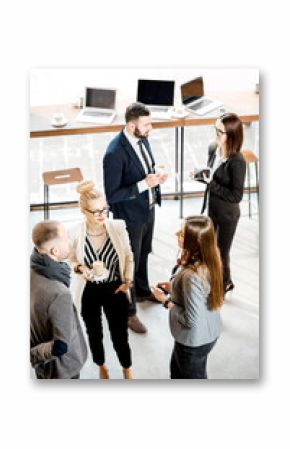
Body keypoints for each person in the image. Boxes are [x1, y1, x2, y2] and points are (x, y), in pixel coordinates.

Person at [103, 102, 168, 334]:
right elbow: (112, 195)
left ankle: (141, 291)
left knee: (143, 253)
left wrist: (156, 174)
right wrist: (144, 184)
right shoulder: (113, 153)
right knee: (127, 265)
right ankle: (128, 312)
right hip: (129, 217)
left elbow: (144, 168)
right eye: (146, 124)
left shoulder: (142, 137)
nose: (150, 128)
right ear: (131, 126)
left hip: (147, 209)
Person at [69, 181, 134, 379]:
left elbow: (129, 256)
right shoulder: (75, 233)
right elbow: (71, 260)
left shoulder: (117, 226)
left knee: (120, 334)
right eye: (95, 211)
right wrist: (81, 268)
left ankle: (127, 367)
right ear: (83, 210)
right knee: (94, 333)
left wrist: (128, 281)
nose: (101, 215)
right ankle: (102, 364)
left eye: (104, 209)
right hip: (89, 289)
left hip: (115, 287)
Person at [151, 216, 223, 379]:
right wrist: (172, 287)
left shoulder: (191, 277)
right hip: (209, 330)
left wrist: (165, 300)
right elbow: (201, 292)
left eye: (182, 234)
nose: (176, 234)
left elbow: (191, 319)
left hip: (194, 341)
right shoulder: (211, 258)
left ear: (194, 242)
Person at [190, 112, 246, 294]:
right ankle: (224, 280)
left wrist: (211, 184)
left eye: (220, 132)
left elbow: (236, 196)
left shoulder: (237, 161)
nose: (216, 135)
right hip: (213, 208)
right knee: (211, 248)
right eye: (215, 129)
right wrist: (200, 176)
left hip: (228, 214)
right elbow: (211, 174)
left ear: (231, 135)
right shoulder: (213, 148)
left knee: (221, 251)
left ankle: (222, 286)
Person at [30, 220, 87, 379]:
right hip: (62, 371)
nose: (70, 242)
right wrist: (31, 355)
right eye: (66, 239)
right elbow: (61, 346)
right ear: (54, 251)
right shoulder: (59, 293)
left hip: (43, 369)